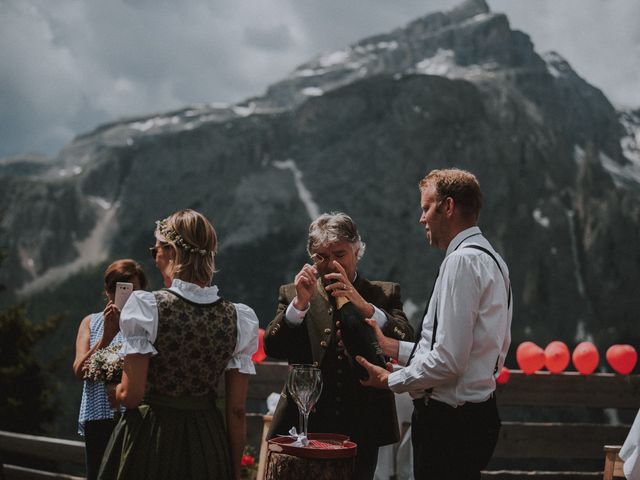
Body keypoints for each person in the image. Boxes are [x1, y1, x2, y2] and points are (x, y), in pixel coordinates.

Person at [356, 168, 512, 480]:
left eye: (426, 207)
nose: (422, 218)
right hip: (477, 414)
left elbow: (450, 360)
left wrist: (391, 380)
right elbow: (466, 349)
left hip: (449, 425)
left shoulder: (461, 262)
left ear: (449, 206)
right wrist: (395, 348)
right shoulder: (493, 259)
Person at [98, 209, 259, 480]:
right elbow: (237, 411)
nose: (155, 257)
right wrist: (232, 471)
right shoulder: (238, 317)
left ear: (171, 251)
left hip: (154, 438)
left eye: (156, 250)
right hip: (207, 442)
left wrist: (114, 388)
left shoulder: (147, 306)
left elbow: (132, 395)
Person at [264, 212, 413, 480]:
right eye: (321, 256)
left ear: (357, 252)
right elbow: (273, 347)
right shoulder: (293, 293)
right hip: (306, 425)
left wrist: (364, 305)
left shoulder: (384, 293)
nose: (331, 263)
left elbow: (406, 339)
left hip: (363, 425)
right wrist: (298, 306)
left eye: (340, 254)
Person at [73, 259, 148, 480]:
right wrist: (106, 336)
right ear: (108, 292)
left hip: (133, 414)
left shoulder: (146, 324)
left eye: (134, 291)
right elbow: (79, 370)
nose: (127, 297)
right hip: (98, 415)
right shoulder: (91, 322)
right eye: (122, 290)